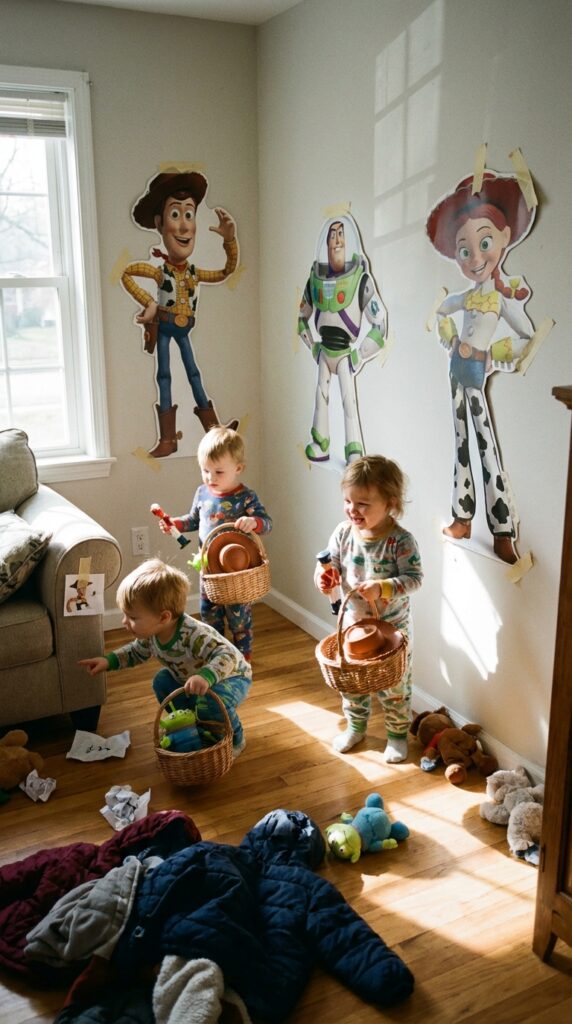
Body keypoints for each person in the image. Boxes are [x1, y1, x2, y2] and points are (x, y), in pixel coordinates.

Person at [426, 171, 536, 564]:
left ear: (503, 238)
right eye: (465, 250)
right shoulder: (466, 297)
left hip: (476, 372)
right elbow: (441, 311)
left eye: (484, 244)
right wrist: (450, 338)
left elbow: (526, 335)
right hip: (457, 368)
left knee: (486, 444)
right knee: (460, 442)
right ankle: (463, 517)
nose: (475, 258)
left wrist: (493, 356)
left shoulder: (501, 299)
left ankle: (502, 528)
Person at [79, 558, 251, 757]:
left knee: (209, 702)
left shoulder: (194, 634)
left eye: (133, 617)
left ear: (163, 617)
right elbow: (135, 652)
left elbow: (228, 655)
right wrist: (108, 661)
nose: (124, 622)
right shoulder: (152, 634)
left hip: (231, 677)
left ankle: (236, 739)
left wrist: (205, 676)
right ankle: (193, 724)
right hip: (193, 680)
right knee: (161, 681)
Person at [121, 171, 240, 458]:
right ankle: (167, 439)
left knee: (194, 374)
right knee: (164, 375)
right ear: (160, 224)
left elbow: (226, 271)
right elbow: (127, 274)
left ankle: (215, 430)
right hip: (164, 326)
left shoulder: (195, 273)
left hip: (184, 328)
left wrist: (230, 241)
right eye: (176, 214)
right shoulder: (159, 271)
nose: (185, 226)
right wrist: (149, 303)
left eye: (190, 215)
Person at [315, 455, 423, 762]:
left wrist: (383, 587)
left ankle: (397, 735)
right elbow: (329, 565)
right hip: (353, 626)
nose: (353, 509)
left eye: (362, 504)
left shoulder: (400, 541)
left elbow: (414, 579)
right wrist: (323, 577)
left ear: (390, 503)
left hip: (393, 632)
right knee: (352, 684)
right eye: (348, 501)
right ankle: (356, 727)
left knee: (395, 687)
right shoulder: (343, 533)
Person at [159, 427, 272, 661]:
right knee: (209, 616)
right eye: (205, 470)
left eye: (219, 472)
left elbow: (267, 523)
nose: (211, 478)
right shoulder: (202, 493)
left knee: (239, 619)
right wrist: (175, 524)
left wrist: (253, 522)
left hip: (237, 572)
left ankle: (242, 660)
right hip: (209, 570)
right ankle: (216, 656)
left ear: (238, 468)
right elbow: (193, 520)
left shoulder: (246, 497)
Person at [298, 213, 387, 465]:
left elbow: (380, 325)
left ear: (348, 242)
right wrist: (312, 346)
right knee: (320, 397)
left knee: (349, 402)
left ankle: (354, 449)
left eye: (340, 235)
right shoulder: (314, 281)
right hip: (324, 352)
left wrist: (360, 354)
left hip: (346, 354)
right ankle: (320, 442)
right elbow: (301, 318)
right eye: (332, 235)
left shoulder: (361, 281)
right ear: (326, 242)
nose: (336, 240)